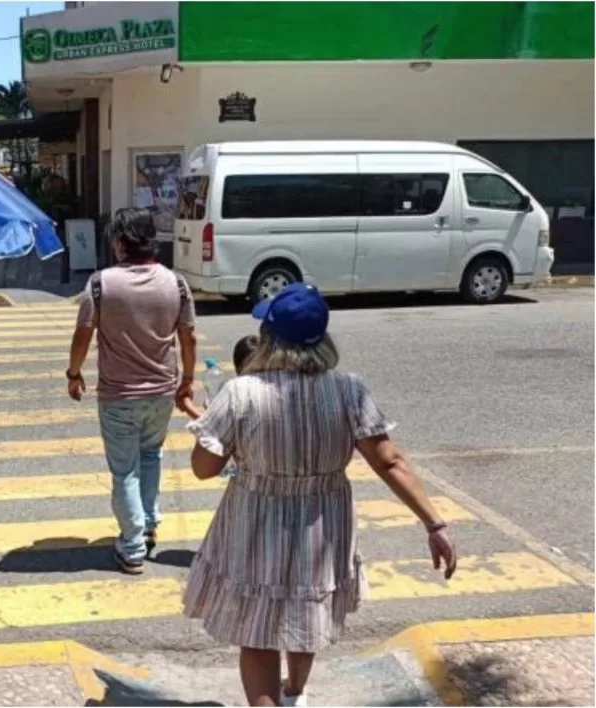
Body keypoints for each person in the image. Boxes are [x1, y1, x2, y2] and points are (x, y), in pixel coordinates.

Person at [182, 283, 457, 707]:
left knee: (257, 635)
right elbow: (389, 462)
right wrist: (433, 523)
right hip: (323, 524)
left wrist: (219, 433)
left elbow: (204, 470)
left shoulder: (240, 393)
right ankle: (295, 693)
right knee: (304, 614)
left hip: (255, 519)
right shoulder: (349, 390)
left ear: (269, 337)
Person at [66, 207, 198, 574]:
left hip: (119, 395)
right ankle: (150, 524)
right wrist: (187, 379)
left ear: (121, 244)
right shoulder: (177, 283)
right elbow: (188, 336)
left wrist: (73, 374)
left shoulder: (100, 284)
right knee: (151, 456)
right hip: (161, 391)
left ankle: (133, 545)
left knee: (125, 470)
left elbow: (83, 335)